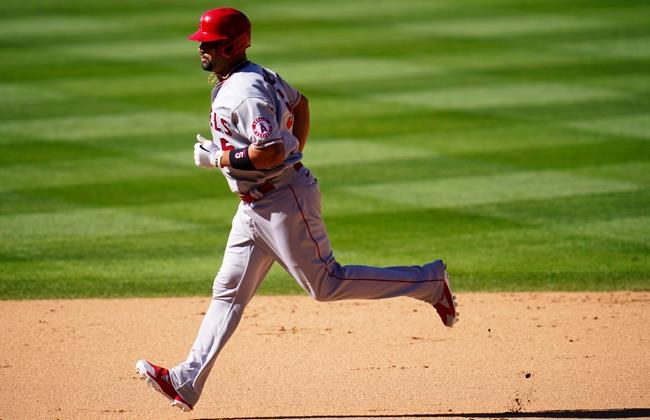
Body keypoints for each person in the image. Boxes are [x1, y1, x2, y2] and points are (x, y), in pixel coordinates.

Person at [135, 7, 458, 412]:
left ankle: (428, 282)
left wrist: (218, 158)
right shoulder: (253, 75)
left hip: (282, 202)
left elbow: (268, 150)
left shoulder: (244, 91)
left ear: (233, 45)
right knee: (229, 292)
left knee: (326, 284)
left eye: (210, 43)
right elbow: (302, 104)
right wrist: (296, 151)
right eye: (201, 42)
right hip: (256, 207)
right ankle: (186, 380)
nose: (202, 48)